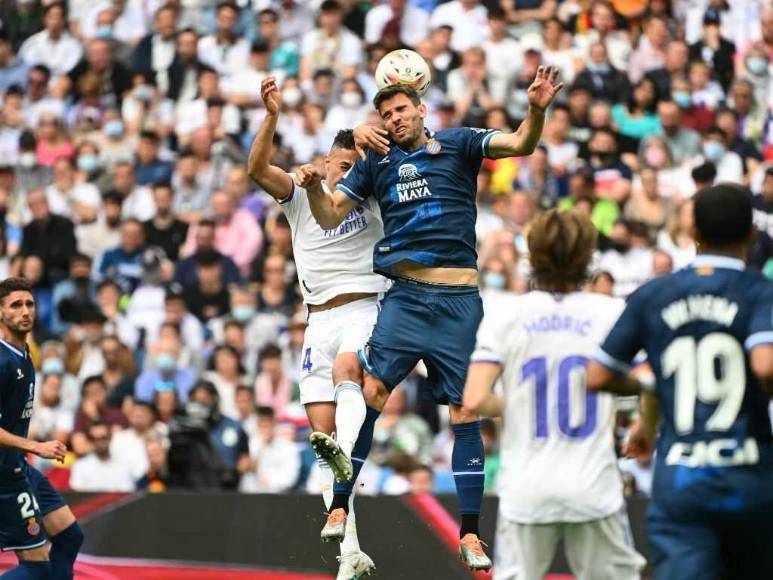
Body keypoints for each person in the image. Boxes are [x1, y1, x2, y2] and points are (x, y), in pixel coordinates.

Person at [302, 65, 564, 570]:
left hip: (459, 303)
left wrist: (536, 109)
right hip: (405, 298)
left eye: (401, 109)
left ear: (422, 109)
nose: (395, 118)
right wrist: (315, 186)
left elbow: (521, 144)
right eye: (385, 114)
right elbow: (331, 212)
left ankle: (470, 533)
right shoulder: (375, 161)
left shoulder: (461, 143)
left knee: (465, 413)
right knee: (372, 394)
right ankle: (338, 505)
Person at [587, 184, 773, 580]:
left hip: (680, 480)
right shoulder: (760, 291)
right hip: (750, 478)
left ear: (693, 235)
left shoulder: (653, 294)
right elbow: (766, 366)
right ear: (752, 235)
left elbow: (599, 375)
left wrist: (655, 389)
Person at [247, 75, 389, 579]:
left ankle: (349, 454)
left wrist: (366, 131)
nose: (350, 173)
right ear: (328, 161)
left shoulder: (373, 191)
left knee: (349, 372)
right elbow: (257, 168)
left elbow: (394, 145)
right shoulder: (301, 192)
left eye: (357, 166)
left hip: (365, 308)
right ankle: (350, 553)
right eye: (343, 165)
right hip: (316, 321)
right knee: (321, 444)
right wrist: (270, 118)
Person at [463, 209, 645, 580]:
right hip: (593, 487)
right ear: (588, 257)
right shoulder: (611, 312)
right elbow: (648, 378)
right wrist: (646, 422)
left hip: (526, 489)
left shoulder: (505, 313)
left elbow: (475, 399)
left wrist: (517, 403)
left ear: (533, 255)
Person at [0, 277, 84, 580]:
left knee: (70, 536)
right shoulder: (1, 361)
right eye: (15, 305)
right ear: (0, 313)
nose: (25, 311)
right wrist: (37, 446)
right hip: (3, 477)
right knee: (36, 567)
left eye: (30, 304)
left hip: (18, 466)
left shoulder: (25, 355)